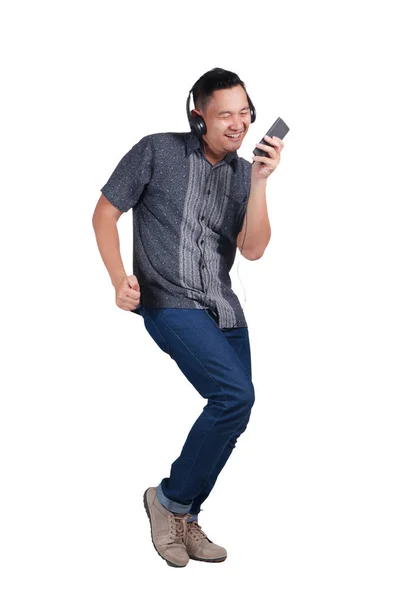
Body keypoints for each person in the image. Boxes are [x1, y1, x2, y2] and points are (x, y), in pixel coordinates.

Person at [92, 67, 284, 568]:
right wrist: (118, 278)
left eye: (245, 113)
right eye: (225, 115)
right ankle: (170, 501)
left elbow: (254, 250)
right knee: (234, 395)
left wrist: (260, 181)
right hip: (167, 300)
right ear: (198, 118)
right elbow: (105, 212)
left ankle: (183, 510)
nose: (238, 124)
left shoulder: (244, 173)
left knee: (235, 411)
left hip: (223, 305)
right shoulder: (156, 150)